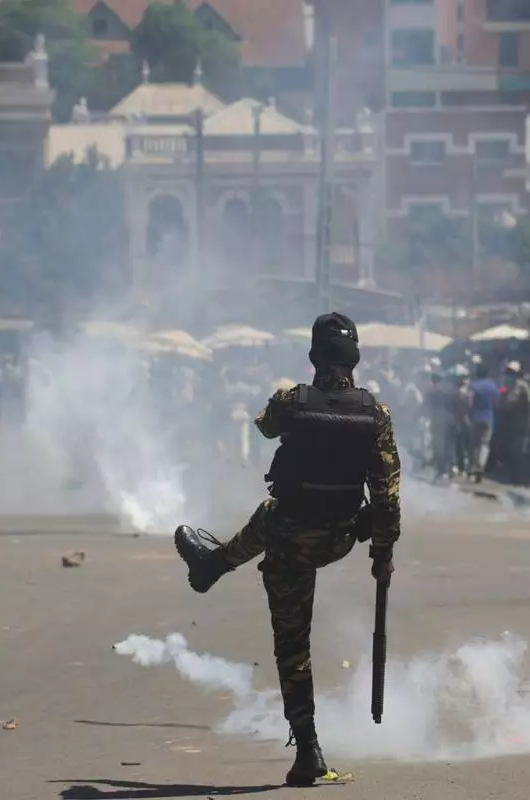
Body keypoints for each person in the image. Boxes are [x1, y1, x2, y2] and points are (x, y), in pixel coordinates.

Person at [173, 312, 401, 787]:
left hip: (290, 540)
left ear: (314, 356)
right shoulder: (374, 414)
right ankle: (213, 564)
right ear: (355, 359)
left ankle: (308, 749)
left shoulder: (291, 402)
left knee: (292, 644)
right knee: (273, 518)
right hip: (339, 537)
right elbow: (386, 496)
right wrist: (383, 554)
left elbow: (264, 426)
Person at [467, 362, 500, 482]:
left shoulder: (473, 385)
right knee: (484, 443)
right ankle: (480, 467)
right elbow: (497, 401)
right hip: (488, 418)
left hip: (475, 417)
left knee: (473, 444)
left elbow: (469, 401)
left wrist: (469, 412)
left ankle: (471, 468)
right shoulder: (492, 385)